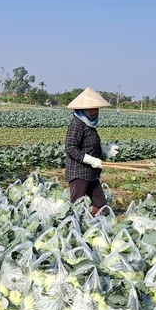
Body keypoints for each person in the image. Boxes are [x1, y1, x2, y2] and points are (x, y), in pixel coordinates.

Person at [65, 87, 110, 215]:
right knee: (77, 205)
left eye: (95, 108)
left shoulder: (89, 124)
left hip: (91, 172)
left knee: (100, 203)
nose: (94, 111)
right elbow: (70, 147)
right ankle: (72, 227)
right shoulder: (77, 124)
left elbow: (89, 144)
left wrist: (105, 149)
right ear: (82, 109)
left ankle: (91, 223)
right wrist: (90, 159)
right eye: (90, 109)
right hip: (79, 172)